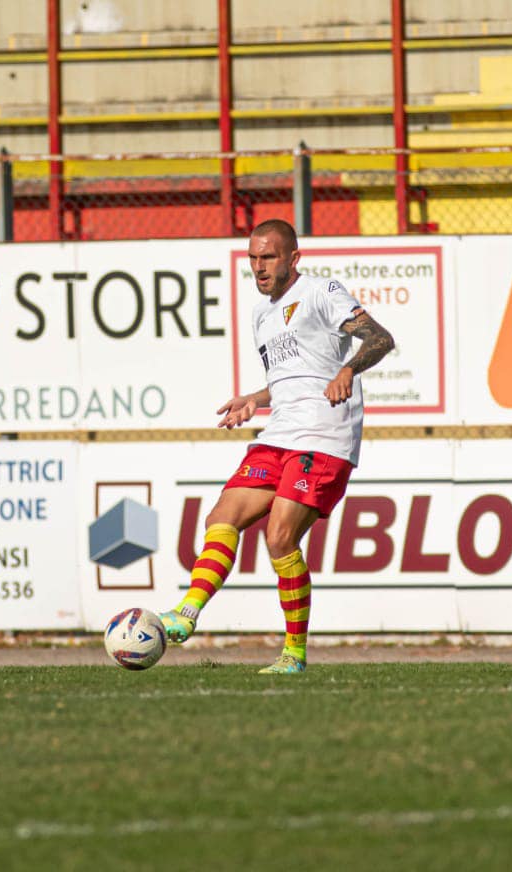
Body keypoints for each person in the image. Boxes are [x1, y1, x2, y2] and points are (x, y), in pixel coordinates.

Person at [157, 219, 396, 674]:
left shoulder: (323, 292)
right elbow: (292, 381)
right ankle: (186, 614)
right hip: (280, 432)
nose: (259, 267)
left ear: (293, 258)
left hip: (324, 435)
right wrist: (254, 398)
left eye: (268, 257)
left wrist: (348, 370)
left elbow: (380, 338)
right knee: (221, 517)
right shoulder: (261, 316)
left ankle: (293, 654)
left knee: (280, 535)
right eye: (253, 258)